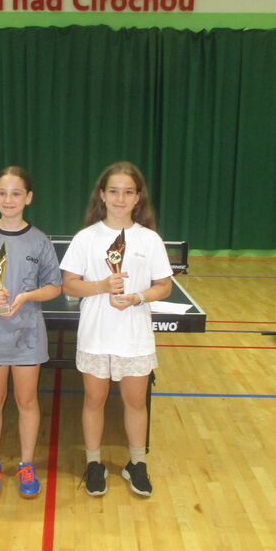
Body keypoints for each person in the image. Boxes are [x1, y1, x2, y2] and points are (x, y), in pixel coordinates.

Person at [59, 161, 173, 497]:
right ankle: (94, 463)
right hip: (96, 334)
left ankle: (137, 464)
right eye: (113, 191)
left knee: (135, 401)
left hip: (134, 336)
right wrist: (102, 286)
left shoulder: (150, 240)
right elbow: (69, 284)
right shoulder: (86, 238)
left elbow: (164, 286)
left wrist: (138, 297)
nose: (120, 198)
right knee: (94, 400)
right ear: (102, 195)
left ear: (138, 198)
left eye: (128, 192)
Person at [0, 166, 62, 498]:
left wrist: (27, 297)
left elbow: (55, 287)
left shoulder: (40, 240)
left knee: (27, 400)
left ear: (28, 198)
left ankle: (27, 465)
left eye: (16, 193)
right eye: (2, 193)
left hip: (27, 334)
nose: (8, 199)